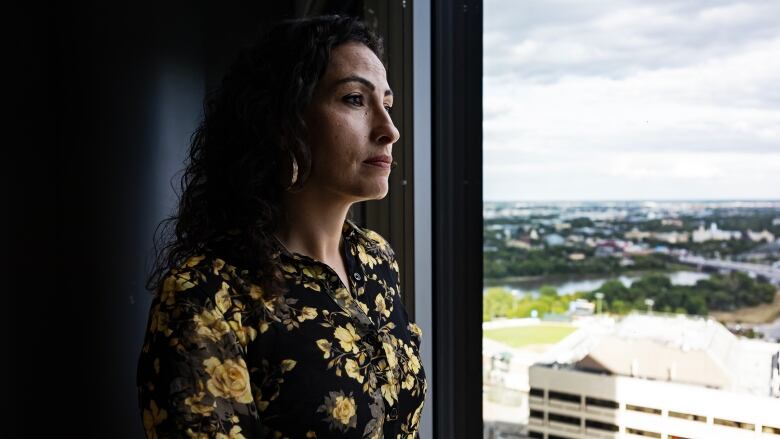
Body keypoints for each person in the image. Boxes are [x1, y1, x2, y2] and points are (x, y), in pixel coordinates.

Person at [136, 14, 427, 439]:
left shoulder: (375, 258)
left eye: (387, 103)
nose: (390, 130)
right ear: (284, 123)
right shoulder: (207, 295)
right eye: (354, 100)